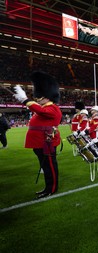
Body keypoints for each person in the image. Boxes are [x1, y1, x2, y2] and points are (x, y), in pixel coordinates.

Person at [13, 71, 62, 199]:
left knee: (50, 166)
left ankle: (52, 188)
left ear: (47, 96)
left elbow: (39, 109)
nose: (38, 99)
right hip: (41, 142)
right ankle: (47, 187)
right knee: (45, 166)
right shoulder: (44, 107)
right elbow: (38, 110)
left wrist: (25, 100)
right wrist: (27, 102)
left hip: (47, 142)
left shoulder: (53, 108)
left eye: (40, 97)